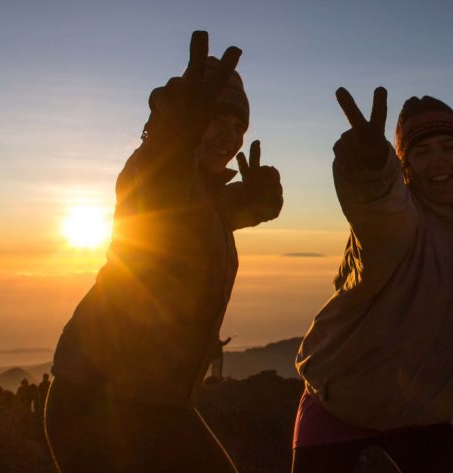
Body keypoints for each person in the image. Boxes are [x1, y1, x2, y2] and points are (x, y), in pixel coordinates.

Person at [44, 31, 283, 473]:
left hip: (156, 403)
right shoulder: (154, 170)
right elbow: (166, 182)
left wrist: (257, 203)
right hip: (97, 402)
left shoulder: (202, 197)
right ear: (187, 120)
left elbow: (200, 218)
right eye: (216, 119)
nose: (230, 136)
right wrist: (176, 130)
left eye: (239, 127)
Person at [291, 89, 453, 473]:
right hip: (338, 405)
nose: (438, 161)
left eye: (449, 147)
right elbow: (379, 209)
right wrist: (371, 169)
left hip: (420, 413)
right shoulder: (398, 221)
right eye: (422, 152)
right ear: (405, 167)